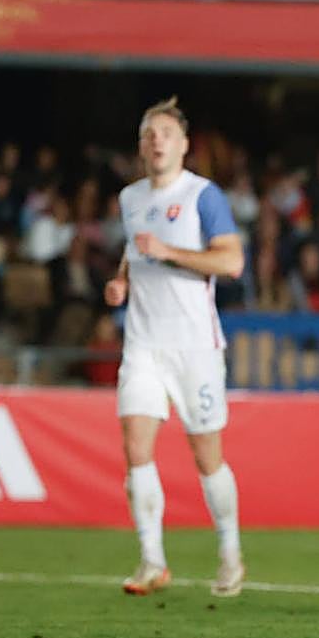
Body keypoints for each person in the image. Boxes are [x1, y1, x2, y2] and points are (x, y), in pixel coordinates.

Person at [103, 96, 245, 597]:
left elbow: (231, 263)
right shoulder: (129, 199)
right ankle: (151, 559)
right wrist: (121, 282)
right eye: (148, 134)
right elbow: (132, 252)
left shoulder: (203, 195)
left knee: (207, 457)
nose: (156, 140)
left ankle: (229, 552)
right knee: (135, 448)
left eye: (165, 132)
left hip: (195, 348)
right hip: (143, 344)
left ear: (184, 145)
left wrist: (168, 252)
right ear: (141, 148)